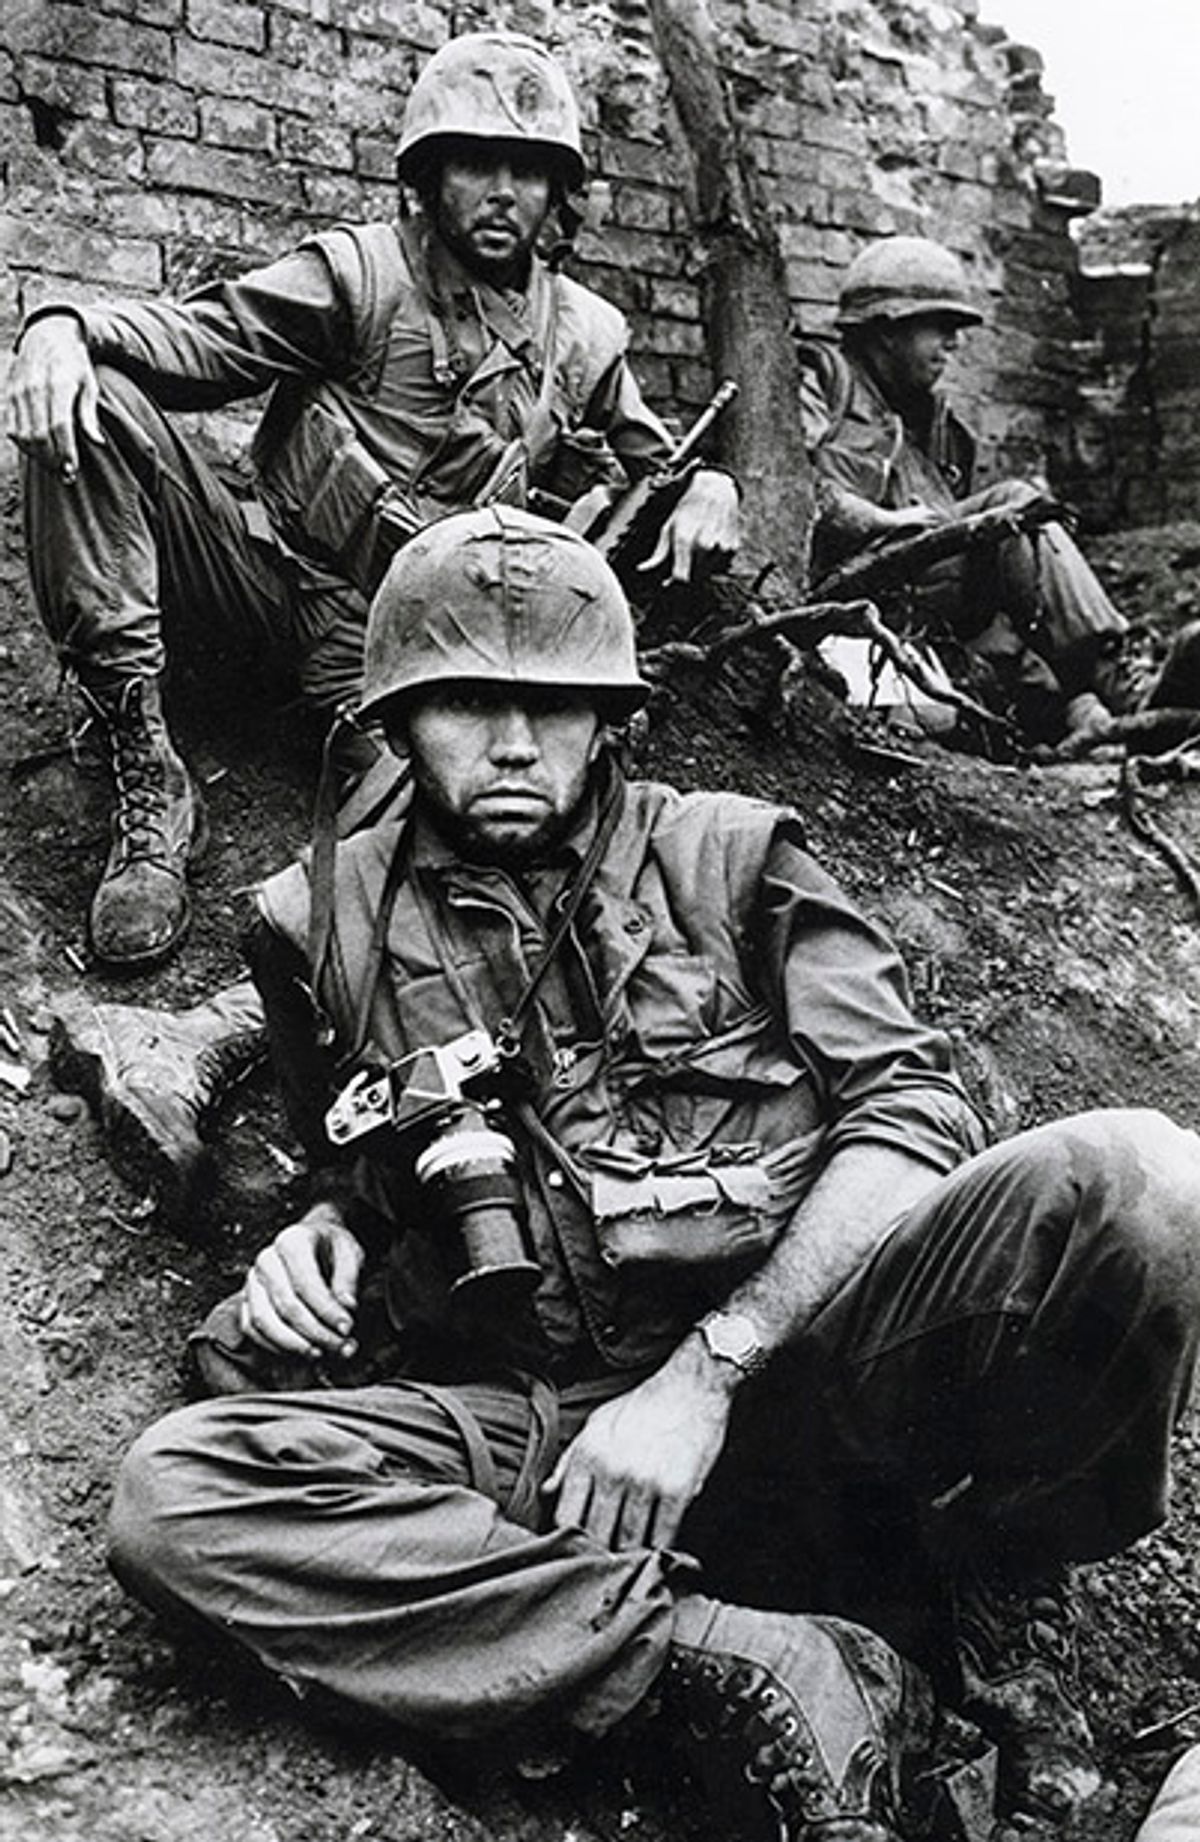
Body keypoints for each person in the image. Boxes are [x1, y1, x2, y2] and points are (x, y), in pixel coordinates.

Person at [109, 506, 1200, 1839]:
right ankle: (730, 1658)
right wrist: (317, 1234)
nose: (514, 740)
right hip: (542, 1431)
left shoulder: (734, 856)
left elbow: (912, 1117)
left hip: (811, 1385)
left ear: (611, 717)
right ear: (396, 717)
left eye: (552, 704)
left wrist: (710, 1370)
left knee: (1144, 1180)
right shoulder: (313, 920)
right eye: (465, 700)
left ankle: (994, 1589)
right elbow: (352, 1154)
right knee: (179, 1497)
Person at [4, 29, 738, 970]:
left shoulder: (587, 335)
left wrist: (711, 486)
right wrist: (61, 325)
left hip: (394, 655)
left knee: (449, 829)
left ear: (560, 192)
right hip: (259, 582)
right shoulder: (360, 274)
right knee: (99, 399)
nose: (502, 192)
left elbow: (655, 466)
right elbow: (201, 340)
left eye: (528, 169)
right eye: (474, 162)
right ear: (427, 176)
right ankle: (142, 760)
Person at [799, 235, 1154, 747]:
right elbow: (789, 485)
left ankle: (1104, 696)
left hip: (930, 617)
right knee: (1015, 503)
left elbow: (996, 591)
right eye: (940, 327)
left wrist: (1072, 694)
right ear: (885, 329)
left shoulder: (942, 431)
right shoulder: (821, 381)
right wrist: (878, 520)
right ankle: (1120, 678)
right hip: (852, 595)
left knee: (1019, 622)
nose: (954, 344)